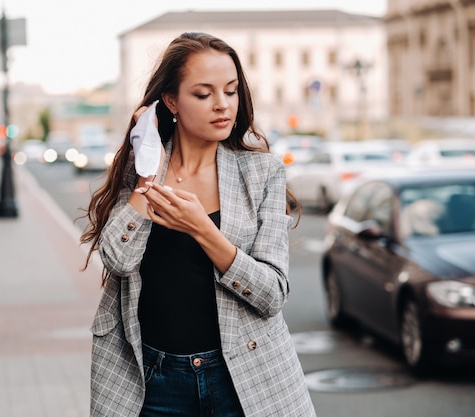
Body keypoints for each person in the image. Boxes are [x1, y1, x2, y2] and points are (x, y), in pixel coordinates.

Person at [80, 32, 316, 417]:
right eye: (204, 94)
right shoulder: (142, 170)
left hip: (242, 378)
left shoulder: (261, 172)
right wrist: (148, 167)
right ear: (171, 100)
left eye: (231, 91)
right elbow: (117, 260)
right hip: (151, 380)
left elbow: (272, 294)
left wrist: (202, 229)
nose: (222, 105)